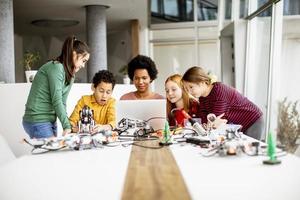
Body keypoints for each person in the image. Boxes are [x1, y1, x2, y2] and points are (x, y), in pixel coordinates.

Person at [22, 36, 90, 139]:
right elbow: (56, 100)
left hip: (50, 121)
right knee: (51, 154)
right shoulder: (57, 67)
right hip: (37, 120)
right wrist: (66, 125)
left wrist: (68, 124)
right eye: (83, 60)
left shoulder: (71, 75)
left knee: (52, 153)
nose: (83, 65)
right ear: (74, 54)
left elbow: (62, 102)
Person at [182, 66, 264, 140]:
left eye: (191, 87)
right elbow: (204, 121)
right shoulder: (202, 98)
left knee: (250, 152)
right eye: (187, 89)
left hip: (252, 120)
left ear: (203, 82)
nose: (189, 92)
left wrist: (209, 124)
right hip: (239, 125)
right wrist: (207, 125)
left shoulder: (219, 91)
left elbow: (217, 120)